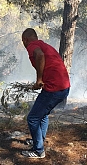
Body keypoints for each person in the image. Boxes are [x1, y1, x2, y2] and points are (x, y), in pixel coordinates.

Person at [21, 28, 70, 158]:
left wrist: (39, 80)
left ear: (25, 40)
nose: (24, 45)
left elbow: (40, 56)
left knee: (32, 118)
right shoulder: (45, 45)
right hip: (63, 87)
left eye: (23, 42)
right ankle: (39, 141)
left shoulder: (32, 45)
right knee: (42, 115)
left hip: (54, 88)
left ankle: (38, 150)